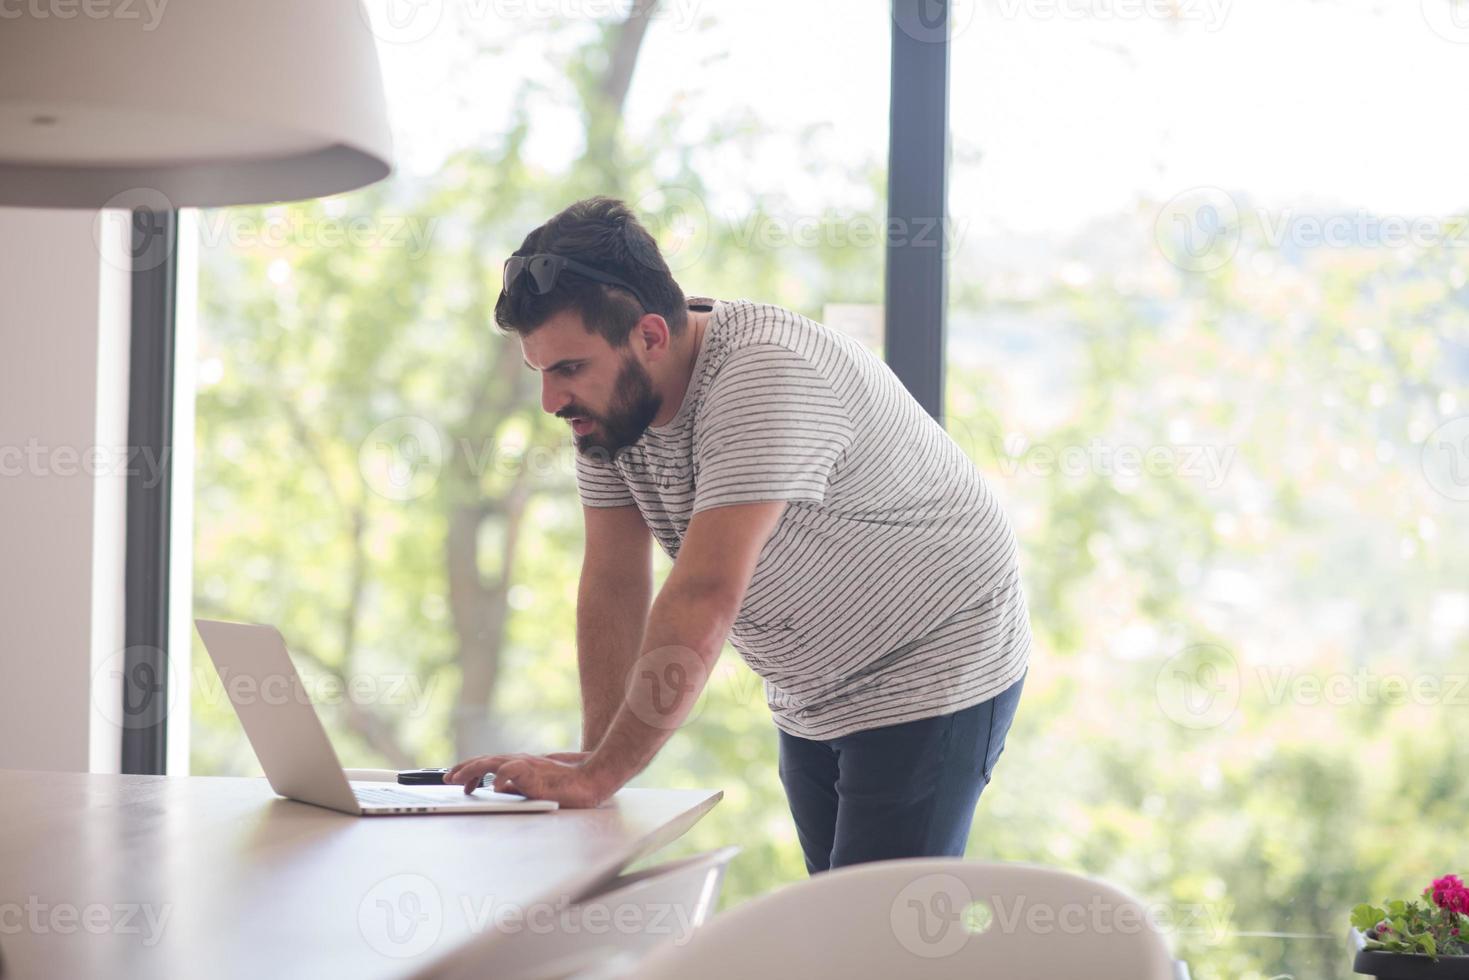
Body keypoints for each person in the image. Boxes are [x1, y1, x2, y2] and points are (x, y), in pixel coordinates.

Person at [446, 196, 1031, 873]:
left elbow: (702, 596)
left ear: (651, 337)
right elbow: (612, 581)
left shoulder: (760, 375)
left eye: (568, 369)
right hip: (813, 687)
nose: (551, 401)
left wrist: (597, 778)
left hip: (935, 655)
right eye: (540, 372)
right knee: (845, 925)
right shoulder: (613, 414)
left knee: (877, 939)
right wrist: (595, 757)